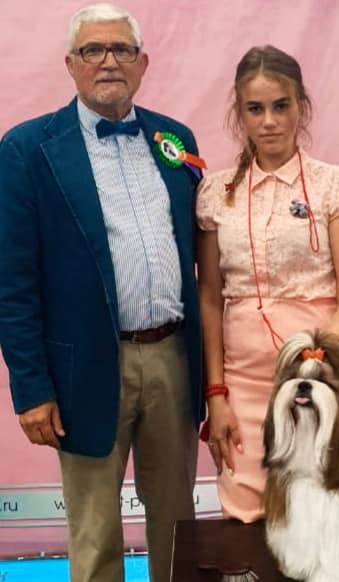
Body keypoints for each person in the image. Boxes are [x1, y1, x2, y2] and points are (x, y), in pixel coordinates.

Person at [0, 4, 204, 581]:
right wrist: (31, 389)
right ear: (71, 64)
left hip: (173, 358)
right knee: (95, 534)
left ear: (143, 63)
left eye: (122, 49)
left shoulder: (175, 139)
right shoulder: (26, 149)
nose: (109, 61)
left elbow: (203, 252)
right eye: (93, 50)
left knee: (178, 527)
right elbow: (12, 283)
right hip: (83, 367)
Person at [196, 45, 339, 523]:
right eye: (255, 109)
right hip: (243, 383)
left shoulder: (337, 186)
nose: (269, 121)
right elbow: (209, 299)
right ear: (239, 114)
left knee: (329, 506)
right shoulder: (214, 193)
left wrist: (318, 351)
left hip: (320, 375)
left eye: (281, 106)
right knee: (246, 511)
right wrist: (216, 394)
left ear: (301, 107)